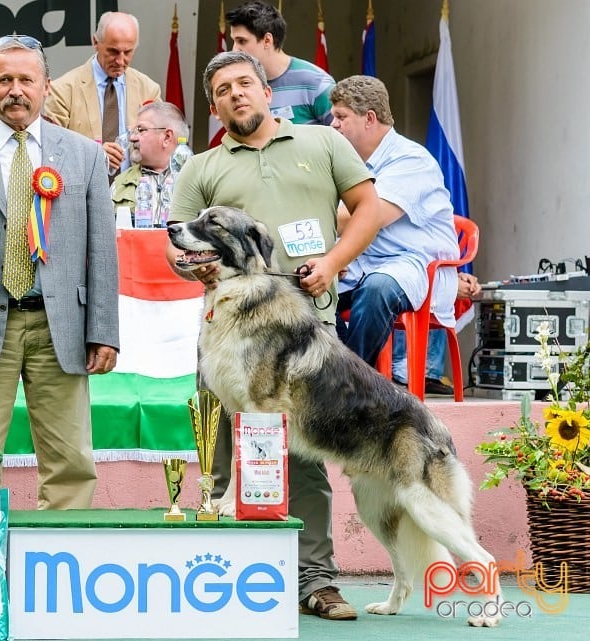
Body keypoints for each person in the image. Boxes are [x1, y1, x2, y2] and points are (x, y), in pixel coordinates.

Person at [166, 51, 381, 621]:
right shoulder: (201, 167)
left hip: (305, 330)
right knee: (221, 447)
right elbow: (175, 247)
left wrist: (334, 261)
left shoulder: (323, 144)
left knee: (304, 455)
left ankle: (315, 581)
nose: (236, 95)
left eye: (245, 84)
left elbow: (368, 207)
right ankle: (222, 574)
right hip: (227, 336)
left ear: (266, 90)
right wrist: (198, 266)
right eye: (223, 90)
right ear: (212, 106)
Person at [0, 35, 119, 510]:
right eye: (4, 79)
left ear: (46, 86)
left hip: (62, 328)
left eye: (26, 79)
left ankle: (61, 564)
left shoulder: (85, 156)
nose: (15, 90)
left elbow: (103, 251)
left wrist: (104, 330)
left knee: (70, 458)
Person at [329, 75, 459, 369]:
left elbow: (368, 217)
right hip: (365, 260)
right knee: (310, 288)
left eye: (340, 117)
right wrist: (333, 256)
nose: (332, 125)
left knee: (376, 290)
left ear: (369, 118)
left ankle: (350, 382)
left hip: (414, 264)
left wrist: (335, 250)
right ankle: (340, 373)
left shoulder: (412, 160)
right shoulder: (349, 160)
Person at [46, 11, 161, 175]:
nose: (121, 61)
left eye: (128, 52)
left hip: (136, 194)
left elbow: (161, 145)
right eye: (113, 51)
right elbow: (51, 149)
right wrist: (94, 156)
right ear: (95, 42)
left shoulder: (149, 89)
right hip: (82, 191)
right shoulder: (63, 90)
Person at [226, 0, 335, 125]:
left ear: (267, 40)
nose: (234, 49)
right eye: (234, 41)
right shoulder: (238, 90)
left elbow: (342, 140)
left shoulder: (316, 83)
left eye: (241, 41)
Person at [393, 271, 481, 393]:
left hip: (435, 273)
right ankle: (399, 373)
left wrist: (457, 279)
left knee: (443, 298)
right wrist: (451, 284)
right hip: (402, 274)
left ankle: (430, 375)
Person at [111, 101, 188, 217]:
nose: (132, 138)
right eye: (133, 132)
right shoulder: (120, 183)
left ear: (167, 137)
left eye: (141, 130)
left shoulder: (195, 179)